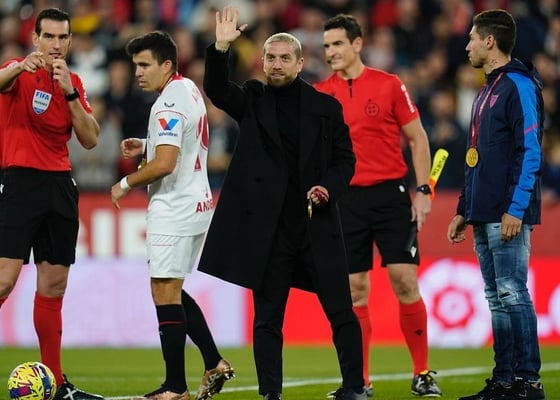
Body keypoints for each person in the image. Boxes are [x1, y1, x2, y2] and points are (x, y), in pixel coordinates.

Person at [198, 5, 366, 400]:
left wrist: (327, 188)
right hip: (270, 231)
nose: (275, 64)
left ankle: (354, 388)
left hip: (316, 225)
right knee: (267, 319)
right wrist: (220, 49)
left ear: (300, 63)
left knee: (341, 311)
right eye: (270, 58)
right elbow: (218, 90)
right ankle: (270, 394)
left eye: (284, 58)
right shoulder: (253, 99)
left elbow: (345, 161)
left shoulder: (326, 107)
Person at [314, 14, 442, 398]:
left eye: (338, 43)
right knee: (354, 290)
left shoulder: (389, 85)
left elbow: (418, 139)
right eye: (326, 45)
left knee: (404, 279)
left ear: (357, 43)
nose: (331, 51)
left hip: (390, 196)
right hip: (345, 201)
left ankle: (422, 373)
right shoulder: (320, 94)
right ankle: (361, 381)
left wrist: (424, 190)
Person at [110, 31, 234, 400]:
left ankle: (175, 387)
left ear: (166, 64)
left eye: (144, 65)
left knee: (164, 291)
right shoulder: (187, 89)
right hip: (196, 202)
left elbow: (165, 164)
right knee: (170, 289)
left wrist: (125, 183)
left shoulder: (166, 103)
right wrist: (146, 143)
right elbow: (185, 140)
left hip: (175, 207)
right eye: (135, 65)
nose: (138, 72)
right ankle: (213, 362)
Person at [0, 8, 104, 400]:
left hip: (60, 184)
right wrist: (18, 67)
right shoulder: (18, 71)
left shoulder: (73, 82)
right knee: (4, 279)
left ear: (70, 41)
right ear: (36, 38)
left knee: (54, 286)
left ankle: (57, 384)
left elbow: (90, 139)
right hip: (20, 181)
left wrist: (70, 93)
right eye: (49, 37)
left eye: (63, 37)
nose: (56, 45)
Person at [447, 9, 546, 400]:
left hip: (507, 211)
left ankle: (528, 381)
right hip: (483, 210)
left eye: (472, 38)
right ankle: (504, 380)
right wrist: (463, 208)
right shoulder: (487, 89)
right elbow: (475, 157)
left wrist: (516, 208)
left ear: (490, 41)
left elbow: (530, 150)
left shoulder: (518, 85)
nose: (467, 46)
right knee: (497, 297)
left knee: (512, 292)